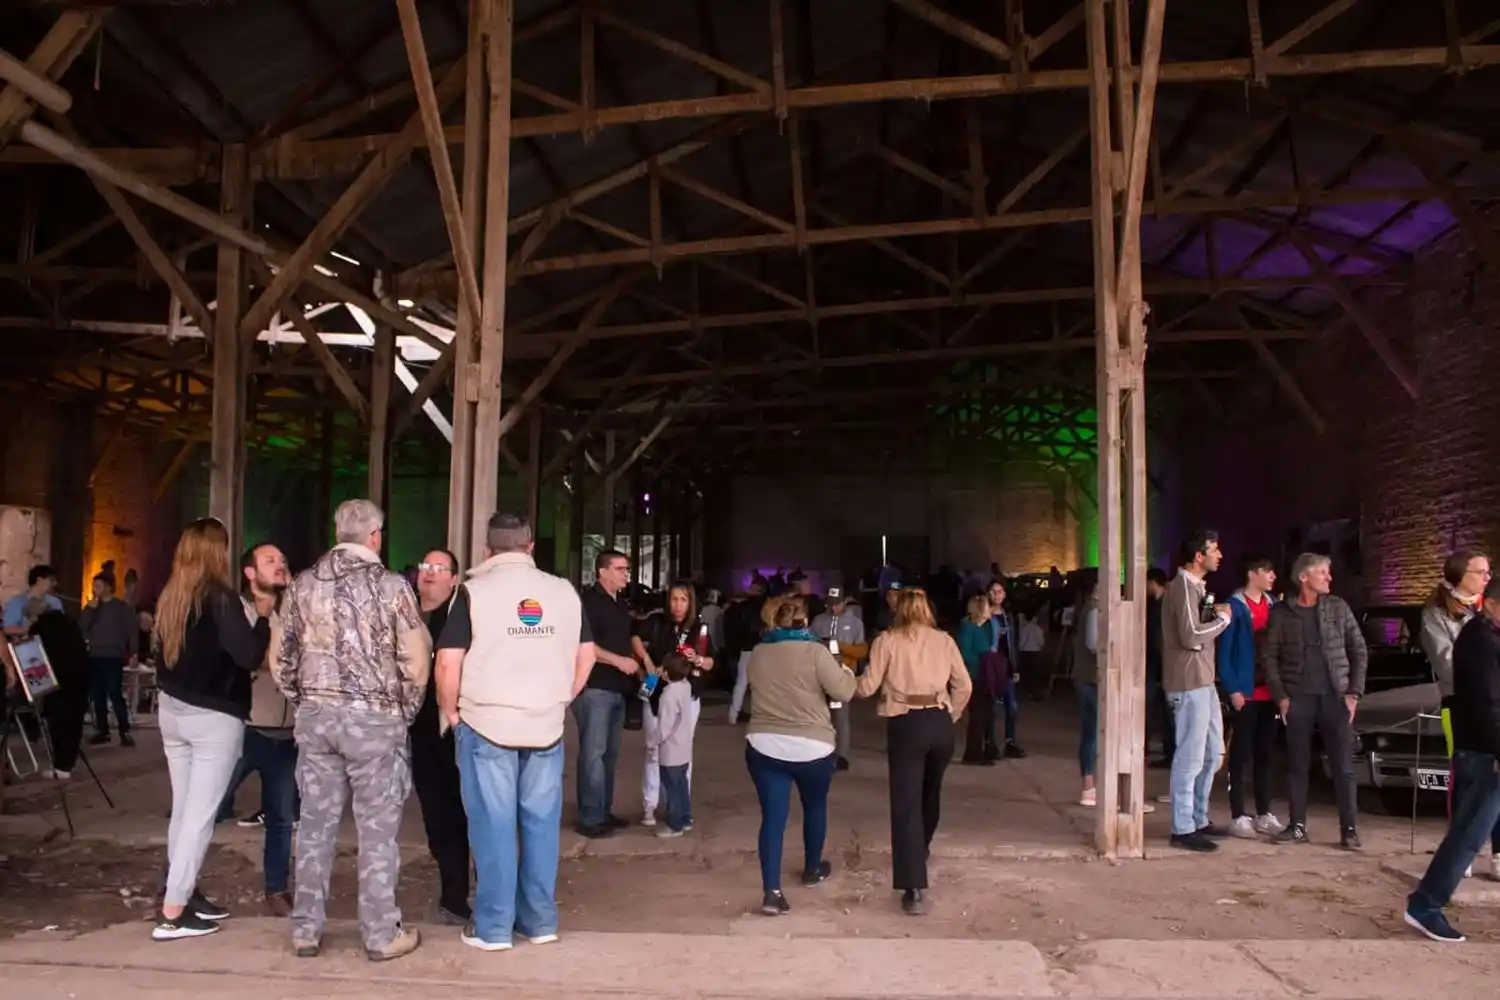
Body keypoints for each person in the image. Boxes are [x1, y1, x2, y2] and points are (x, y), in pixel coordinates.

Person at [274, 499, 431, 962]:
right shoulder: (391, 587)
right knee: (377, 831)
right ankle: (380, 934)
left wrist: (307, 703)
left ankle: (306, 930)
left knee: (316, 827)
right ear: (375, 536)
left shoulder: (302, 585)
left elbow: (281, 660)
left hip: (317, 719)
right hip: (375, 722)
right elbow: (417, 661)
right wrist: (401, 713)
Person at [434, 513, 594, 952]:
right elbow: (588, 653)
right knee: (541, 827)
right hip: (545, 724)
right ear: (530, 548)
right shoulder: (563, 592)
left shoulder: (472, 592)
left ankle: (493, 928)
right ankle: (540, 922)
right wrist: (562, 695)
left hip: (487, 725)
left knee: (493, 827)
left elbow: (448, 660)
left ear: (487, 551)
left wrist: (451, 713)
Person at [151, 518, 271, 941]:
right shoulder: (220, 599)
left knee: (184, 811)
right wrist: (263, 618)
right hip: (213, 716)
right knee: (198, 818)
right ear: (217, 553)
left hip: (173, 711)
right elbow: (248, 656)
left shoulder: (172, 595)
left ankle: (182, 893)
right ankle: (173, 911)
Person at [856, 588, 972, 916]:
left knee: (905, 805)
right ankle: (921, 848)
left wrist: (840, 681)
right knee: (930, 795)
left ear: (899, 609)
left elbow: (868, 685)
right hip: (938, 721)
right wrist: (950, 714)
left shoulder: (887, 641)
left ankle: (914, 887)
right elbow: (964, 685)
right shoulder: (944, 641)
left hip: (906, 723)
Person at [744, 593, 856, 917]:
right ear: (804, 620)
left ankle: (771, 891)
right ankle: (811, 869)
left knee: (773, 819)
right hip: (813, 746)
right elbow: (844, 691)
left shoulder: (759, 653)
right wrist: (845, 671)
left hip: (765, 744)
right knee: (815, 806)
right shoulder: (816, 652)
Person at [1403, 575, 1500, 943]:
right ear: (1489, 603)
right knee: (1469, 834)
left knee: (1469, 831)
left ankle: (1426, 903)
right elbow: (1485, 703)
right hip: (1483, 750)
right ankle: (1426, 904)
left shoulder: (1490, 637)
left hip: (1485, 746)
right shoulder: (1479, 642)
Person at [1260, 552, 1367, 849]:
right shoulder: (1283, 613)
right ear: (1304, 576)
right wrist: (1281, 696)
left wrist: (1353, 692)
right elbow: (1270, 657)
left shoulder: (1337, 607)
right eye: (1322, 572)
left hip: (1335, 697)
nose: (1329, 577)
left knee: (1343, 766)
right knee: (1297, 765)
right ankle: (1297, 827)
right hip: (1299, 698)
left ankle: (1349, 829)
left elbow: (1359, 649)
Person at [1420, 551, 1497, 878]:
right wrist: (1482, 673)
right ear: (1459, 574)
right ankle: (1461, 850)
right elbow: (1446, 662)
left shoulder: (1488, 610)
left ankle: (1498, 852)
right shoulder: (1437, 614)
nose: (1486, 577)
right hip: (1462, 704)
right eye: (1480, 572)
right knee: (1467, 774)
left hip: (1494, 701)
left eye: (1488, 572)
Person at [233, 543, 297, 915]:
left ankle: (277, 890)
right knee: (205, 812)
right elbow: (249, 659)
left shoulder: (292, 614)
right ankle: (175, 887)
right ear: (249, 572)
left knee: (281, 819)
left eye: (282, 560)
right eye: (270, 560)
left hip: (286, 733)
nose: (280, 565)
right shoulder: (237, 613)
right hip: (245, 728)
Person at [408, 547, 471, 925]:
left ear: (453, 579)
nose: (430, 573)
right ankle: (453, 893)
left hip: (458, 728)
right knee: (436, 815)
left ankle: (467, 891)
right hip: (418, 731)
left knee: (464, 813)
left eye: (439, 568)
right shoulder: (405, 613)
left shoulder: (461, 617)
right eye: (425, 566)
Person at [1162, 530, 1232, 852]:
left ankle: (1199, 818)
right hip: (1188, 683)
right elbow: (1192, 636)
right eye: (1214, 550)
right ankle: (1182, 826)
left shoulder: (1202, 589)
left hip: (1204, 681)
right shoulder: (1181, 587)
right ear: (1198, 556)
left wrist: (1215, 618)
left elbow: (1204, 630)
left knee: (1213, 753)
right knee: (1189, 757)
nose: (1220, 555)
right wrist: (1224, 619)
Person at [632, 581, 713, 826]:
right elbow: (635, 636)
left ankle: (677, 807)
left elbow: (711, 663)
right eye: (674, 599)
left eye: (683, 600)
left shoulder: (699, 627)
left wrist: (697, 659)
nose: (678, 605)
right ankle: (650, 804)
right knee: (654, 749)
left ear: (691, 602)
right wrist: (646, 660)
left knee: (681, 752)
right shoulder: (658, 622)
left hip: (686, 695)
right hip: (657, 690)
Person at [1216, 555, 1285, 839]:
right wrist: (1233, 688)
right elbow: (1225, 652)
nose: (1272, 577)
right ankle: (1237, 814)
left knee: (1265, 753)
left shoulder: (1274, 607)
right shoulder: (1234, 607)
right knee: (1240, 754)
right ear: (1252, 573)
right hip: (1246, 692)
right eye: (1268, 571)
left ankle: (1264, 812)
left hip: (1269, 691)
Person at [575, 549, 640, 839]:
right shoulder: (590, 603)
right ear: (602, 571)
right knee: (593, 754)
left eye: (626, 568)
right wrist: (619, 661)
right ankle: (589, 816)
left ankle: (603, 811)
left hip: (618, 689)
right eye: (619, 568)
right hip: (596, 688)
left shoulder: (619, 603)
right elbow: (583, 645)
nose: (625, 573)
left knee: (609, 757)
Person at [29, 602, 90, 781]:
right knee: (74, 722)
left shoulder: (40, 627)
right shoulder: (70, 623)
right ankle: (69, 761)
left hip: (56, 680)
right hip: (79, 677)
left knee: (59, 723)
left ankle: (61, 765)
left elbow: (36, 657)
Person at [809, 586, 867, 771]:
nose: (833, 608)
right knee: (819, 714)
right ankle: (820, 752)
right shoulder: (818, 621)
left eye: (837, 604)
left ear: (844, 602)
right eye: (830, 604)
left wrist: (841, 647)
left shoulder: (855, 623)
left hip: (842, 674)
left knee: (840, 715)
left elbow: (862, 649)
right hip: (820, 673)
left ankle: (842, 755)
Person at [80, 572, 139, 747]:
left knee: (114, 692)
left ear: (108, 587)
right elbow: (82, 628)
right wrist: (90, 609)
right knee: (97, 694)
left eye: (98, 585)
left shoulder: (121, 607)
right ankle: (102, 731)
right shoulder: (92, 608)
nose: (95, 589)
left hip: (113, 656)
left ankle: (124, 730)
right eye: (94, 586)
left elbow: (132, 630)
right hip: (94, 655)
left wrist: (134, 653)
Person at [650, 653, 696, 838]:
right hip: (684, 745)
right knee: (681, 783)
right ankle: (685, 818)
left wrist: (652, 742)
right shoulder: (686, 686)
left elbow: (664, 726)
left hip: (670, 748)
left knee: (671, 788)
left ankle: (674, 823)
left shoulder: (668, 695)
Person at [957, 594, 1002, 766]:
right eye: (987, 606)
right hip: (975, 675)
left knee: (987, 715)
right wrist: (984, 661)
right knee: (977, 716)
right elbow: (964, 653)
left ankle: (984, 749)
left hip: (987, 675)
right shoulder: (968, 627)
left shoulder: (987, 627)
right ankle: (973, 753)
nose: (991, 609)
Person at [985, 579, 1027, 759]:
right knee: (992, 707)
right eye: (994, 591)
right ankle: (989, 743)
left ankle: (1010, 741)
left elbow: (1013, 643)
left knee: (1012, 706)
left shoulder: (1008, 616)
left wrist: (1015, 667)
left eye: (1000, 591)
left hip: (1006, 665)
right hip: (992, 666)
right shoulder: (985, 616)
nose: (997, 595)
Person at [725, 576, 768, 723]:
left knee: (741, 682)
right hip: (763, 648)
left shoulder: (742, 607)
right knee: (762, 683)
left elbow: (736, 629)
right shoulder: (767, 606)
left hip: (746, 648)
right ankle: (761, 714)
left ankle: (733, 714)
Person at [1076, 576, 1101, 807]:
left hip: (1091, 679)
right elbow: (1094, 644)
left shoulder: (1091, 609)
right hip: (1091, 679)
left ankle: (1092, 784)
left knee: (1093, 732)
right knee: (1092, 733)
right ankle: (1088, 785)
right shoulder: (1094, 611)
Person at [1145, 568, 1174, 769]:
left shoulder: (1165, 605)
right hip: (1155, 665)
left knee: (1169, 712)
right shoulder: (1154, 604)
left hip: (1164, 666)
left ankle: (1171, 752)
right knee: (1159, 711)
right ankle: (1164, 750)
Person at [3, 564, 62, 637]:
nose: (55, 584)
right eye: (51, 580)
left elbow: (61, 626)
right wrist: (32, 631)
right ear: (39, 580)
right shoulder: (17, 602)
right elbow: (7, 629)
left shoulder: (55, 602)